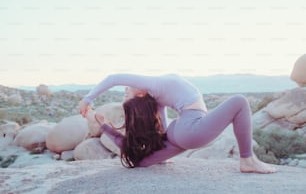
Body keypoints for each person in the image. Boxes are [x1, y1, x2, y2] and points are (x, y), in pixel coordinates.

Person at [79, 73, 277, 173]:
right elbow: (114, 78)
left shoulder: (155, 93)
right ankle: (247, 159)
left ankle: (248, 160)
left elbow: (163, 126)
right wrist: (88, 99)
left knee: (141, 161)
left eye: (125, 91)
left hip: (179, 134)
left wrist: (104, 126)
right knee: (240, 102)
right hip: (190, 130)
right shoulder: (151, 86)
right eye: (126, 92)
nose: (125, 89)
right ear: (140, 92)